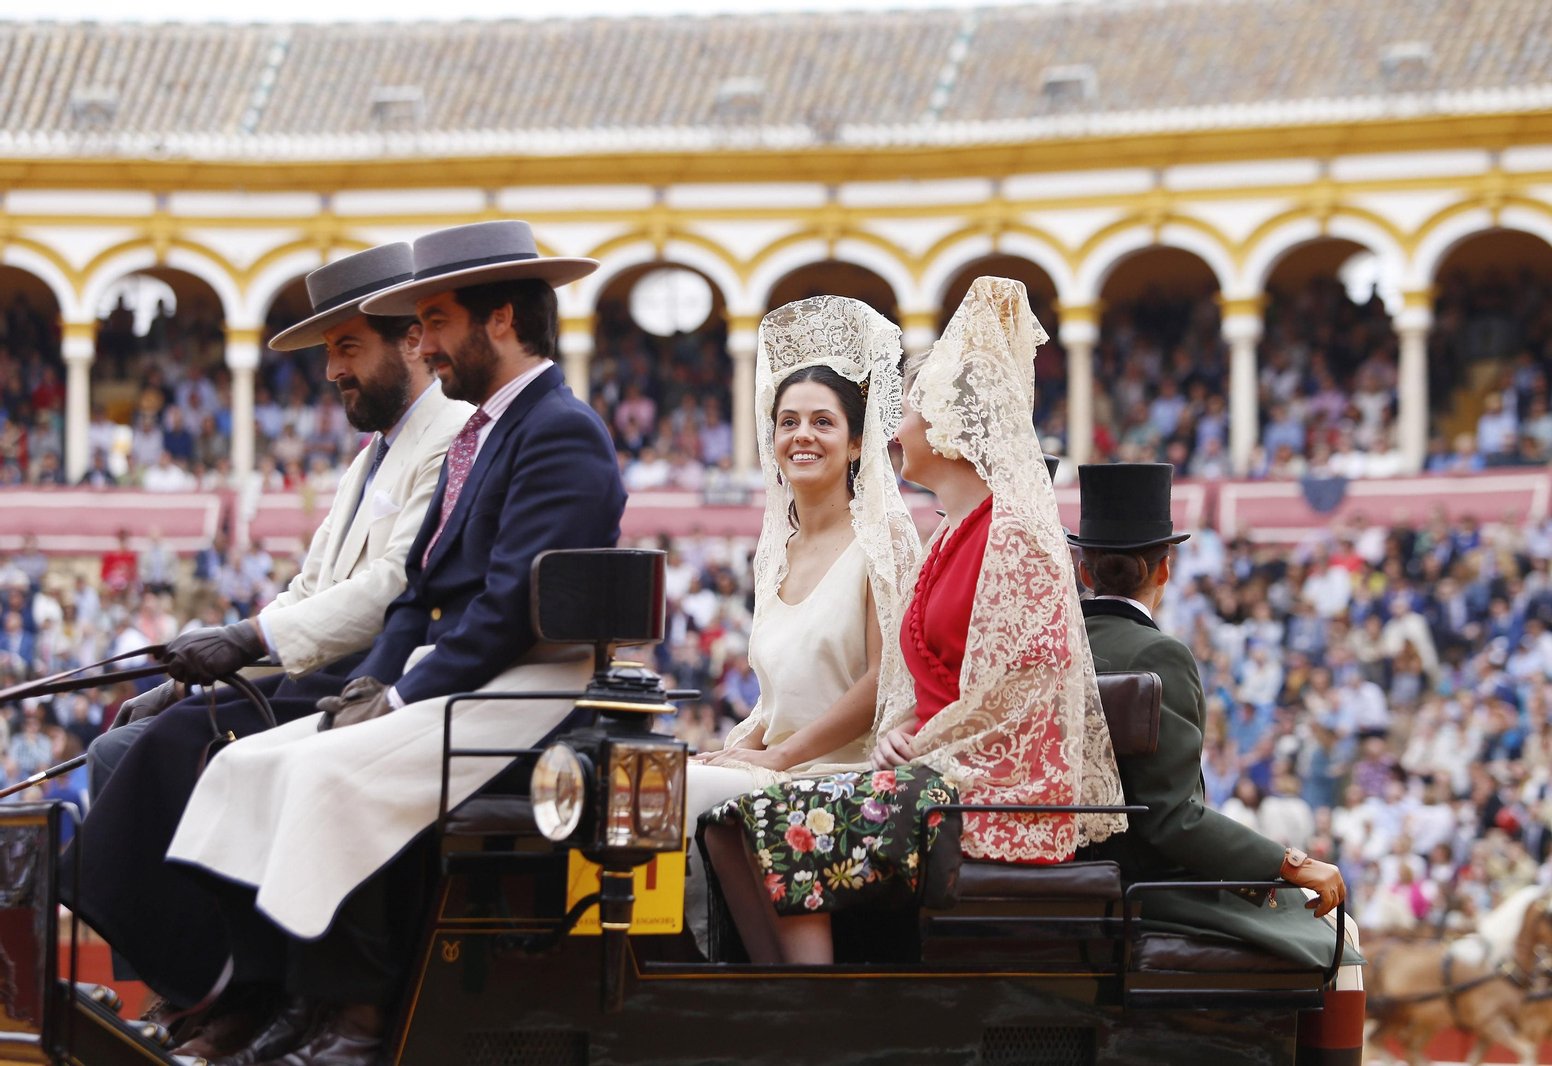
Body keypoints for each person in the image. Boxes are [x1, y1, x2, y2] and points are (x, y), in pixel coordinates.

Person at [165, 220, 623, 1066]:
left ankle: (356, 1017)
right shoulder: (480, 433)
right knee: (244, 763)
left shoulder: (562, 428)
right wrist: (366, 690)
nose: (428, 346)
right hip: (457, 678)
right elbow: (416, 593)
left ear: (500, 320)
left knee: (325, 770)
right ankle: (274, 995)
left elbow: (511, 608)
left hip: (528, 687)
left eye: (439, 322)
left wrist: (402, 696)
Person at [59, 243, 475, 1049]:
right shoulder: (372, 457)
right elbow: (309, 589)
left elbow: (391, 588)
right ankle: (200, 983)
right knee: (120, 747)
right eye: (329, 354)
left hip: (372, 685)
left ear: (409, 345)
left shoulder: (453, 436)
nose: (332, 372)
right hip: (314, 674)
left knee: (182, 743)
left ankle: (243, 990)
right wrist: (208, 659)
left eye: (347, 348)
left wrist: (248, 640)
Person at [703, 278, 1124, 964]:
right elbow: (920, 676)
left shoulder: (1012, 533)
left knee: (771, 818)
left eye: (912, 409)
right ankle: (790, 1005)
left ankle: (814, 1014)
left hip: (991, 789)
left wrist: (928, 746)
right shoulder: (951, 536)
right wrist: (904, 731)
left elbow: (1021, 686)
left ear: (950, 428)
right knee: (736, 820)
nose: (895, 428)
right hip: (936, 773)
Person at [682, 295, 918, 950]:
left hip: (844, 768)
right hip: (780, 763)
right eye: (788, 421)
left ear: (855, 443)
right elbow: (782, 692)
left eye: (822, 421)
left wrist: (776, 755)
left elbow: (884, 681)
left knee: (678, 801)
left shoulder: (884, 536)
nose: (802, 436)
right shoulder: (774, 552)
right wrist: (745, 740)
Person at [1071, 462, 1361, 983]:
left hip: (1074, 874)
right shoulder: (1160, 653)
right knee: (1346, 936)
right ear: (1165, 570)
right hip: (1145, 889)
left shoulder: (1053, 649)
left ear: (1084, 571)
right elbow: (1170, 819)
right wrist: (1292, 863)